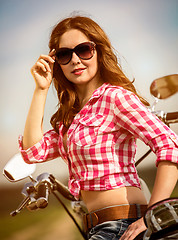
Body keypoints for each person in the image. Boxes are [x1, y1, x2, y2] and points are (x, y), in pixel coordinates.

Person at [19, 15, 178, 240]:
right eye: (65, 54)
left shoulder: (115, 97)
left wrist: (153, 215)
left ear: (98, 51)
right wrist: (41, 89)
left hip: (122, 224)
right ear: (57, 62)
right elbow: (33, 151)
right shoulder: (70, 119)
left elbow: (168, 144)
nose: (75, 60)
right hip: (97, 227)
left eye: (83, 50)